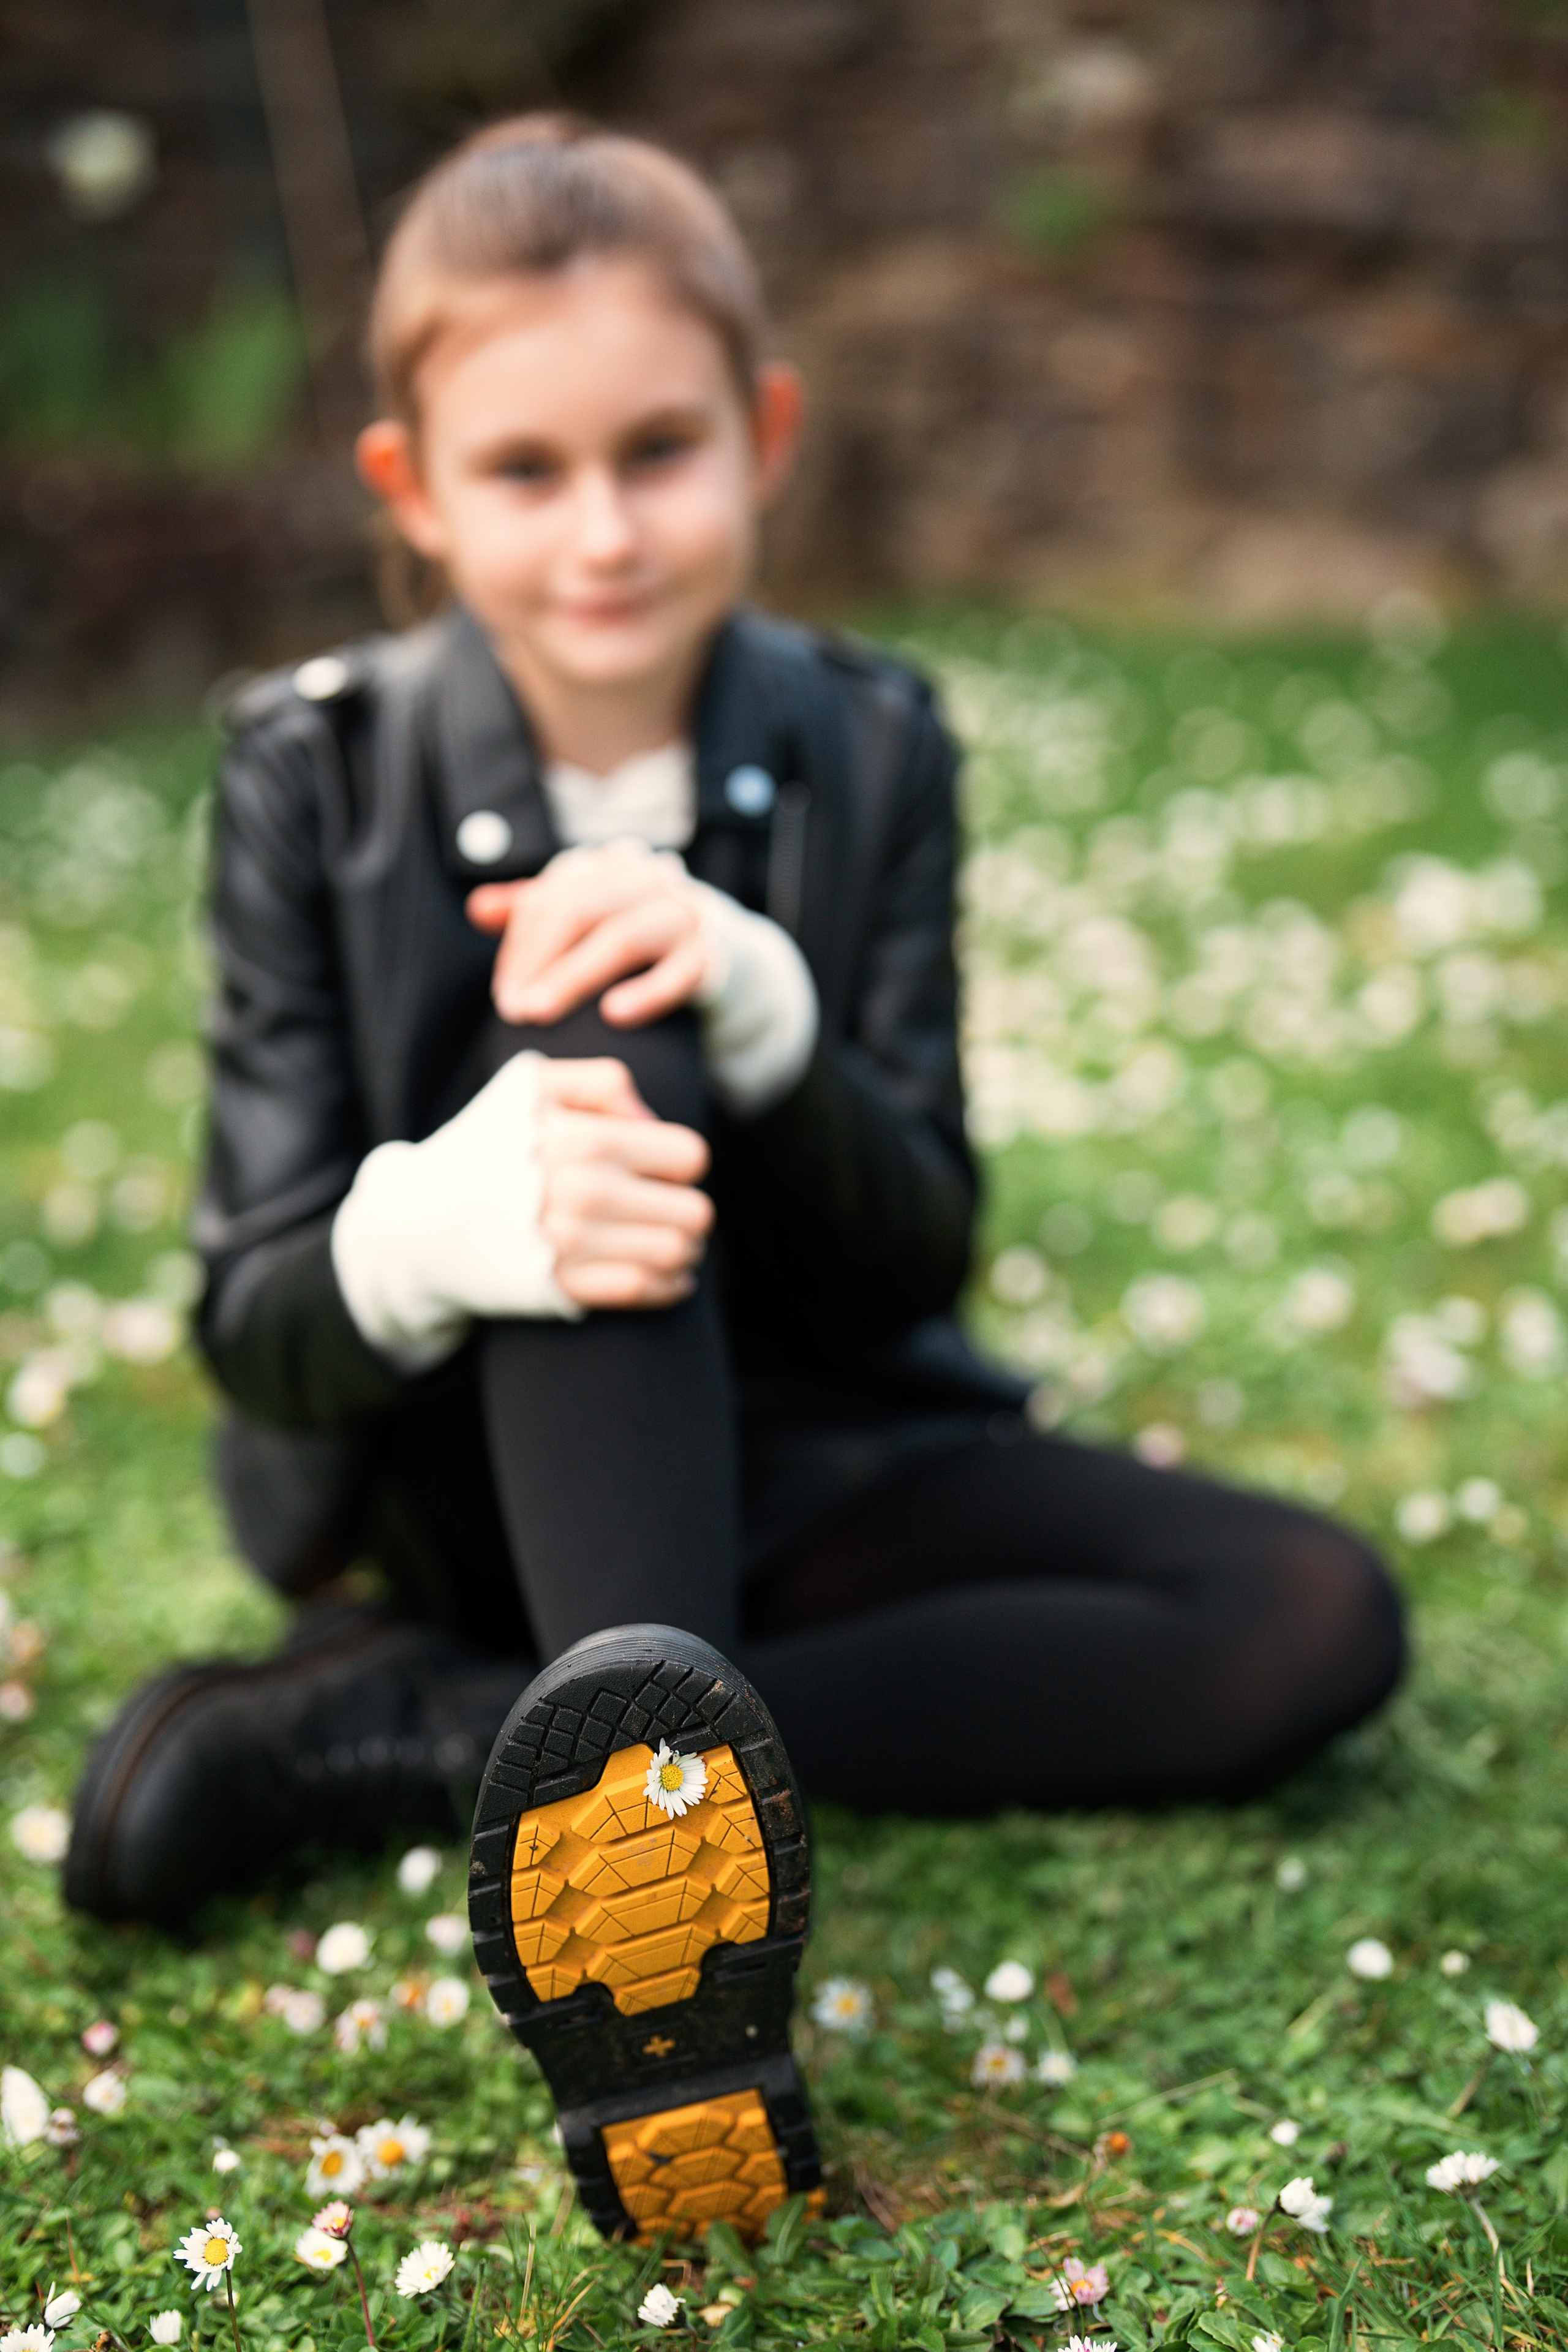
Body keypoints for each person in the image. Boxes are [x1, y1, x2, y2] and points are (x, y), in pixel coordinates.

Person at [65, 115, 1403, 2228]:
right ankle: (677, 1998)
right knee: (599, 998)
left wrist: (774, 1022)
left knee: (1309, 1615)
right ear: (412, 489)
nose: (602, 529)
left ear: (764, 435)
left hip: (806, 1452)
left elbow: (917, 1257)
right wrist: (442, 1220)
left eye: (658, 451)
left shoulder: (874, 741)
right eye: (525, 470)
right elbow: (252, 1309)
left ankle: (443, 1741)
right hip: (485, 1477)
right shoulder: (312, 774)